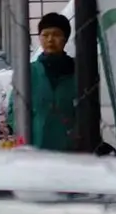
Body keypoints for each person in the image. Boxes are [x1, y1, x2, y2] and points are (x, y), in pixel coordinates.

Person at [28, 13, 79, 150]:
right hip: (35, 146)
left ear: (65, 39)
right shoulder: (29, 72)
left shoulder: (79, 71)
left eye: (56, 34)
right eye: (45, 35)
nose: (50, 39)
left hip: (69, 147)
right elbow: (13, 110)